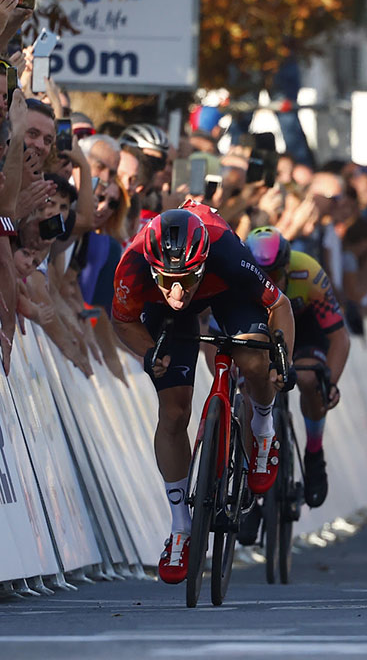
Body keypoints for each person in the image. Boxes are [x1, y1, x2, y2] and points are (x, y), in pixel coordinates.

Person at [111, 204, 296, 584]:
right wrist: (149, 352)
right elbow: (123, 320)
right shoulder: (132, 263)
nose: (178, 290)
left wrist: (283, 362)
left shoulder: (225, 249)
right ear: (151, 267)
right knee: (174, 414)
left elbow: (280, 304)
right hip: (164, 314)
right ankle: (181, 527)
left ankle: (262, 428)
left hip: (227, 289)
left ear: (203, 261)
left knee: (254, 358)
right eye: (167, 279)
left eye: (187, 277)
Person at [245, 226, 349, 510]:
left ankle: (314, 451)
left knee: (308, 379)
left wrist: (329, 383)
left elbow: (339, 337)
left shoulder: (309, 272)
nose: (269, 280)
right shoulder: (237, 273)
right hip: (256, 327)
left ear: (289, 266)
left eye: (276, 273)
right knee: (247, 388)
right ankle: (246, 469)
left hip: (304, 329)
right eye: (261, 273)